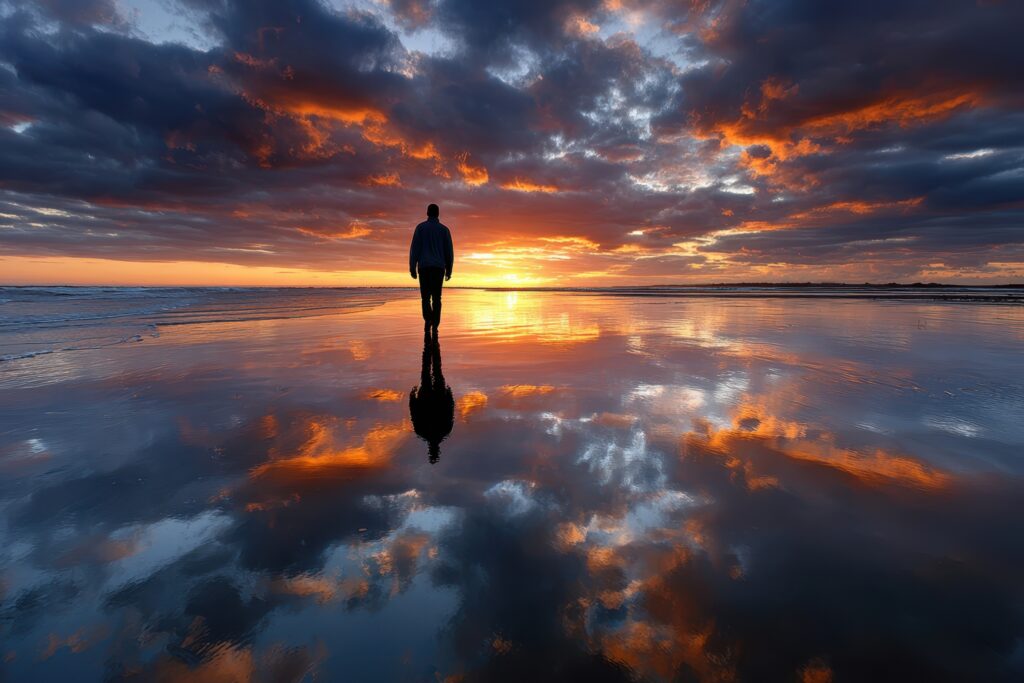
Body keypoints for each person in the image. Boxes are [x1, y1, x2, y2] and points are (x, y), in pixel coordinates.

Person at [409, 327, 454, 464]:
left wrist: (412, 396)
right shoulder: (433, 431)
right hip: (435, 396)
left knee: (432, 368)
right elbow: (449, 410)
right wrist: (449, 394)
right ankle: (432, 337)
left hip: (428, 397)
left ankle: (431, 337)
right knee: (432, 369)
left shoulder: (425, 432)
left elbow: (414, 412)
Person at [409, 203, 454, 329]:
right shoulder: (444, 230)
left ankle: (428, 319)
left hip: (424, 267)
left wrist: (412, 267)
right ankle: (435, 324)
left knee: (425, 298)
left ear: (427, 213)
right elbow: (449, 252)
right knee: (436, 297)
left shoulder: (420, 228)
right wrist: (449, 270)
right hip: (439, 268)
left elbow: (414, 249)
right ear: (438, 214)